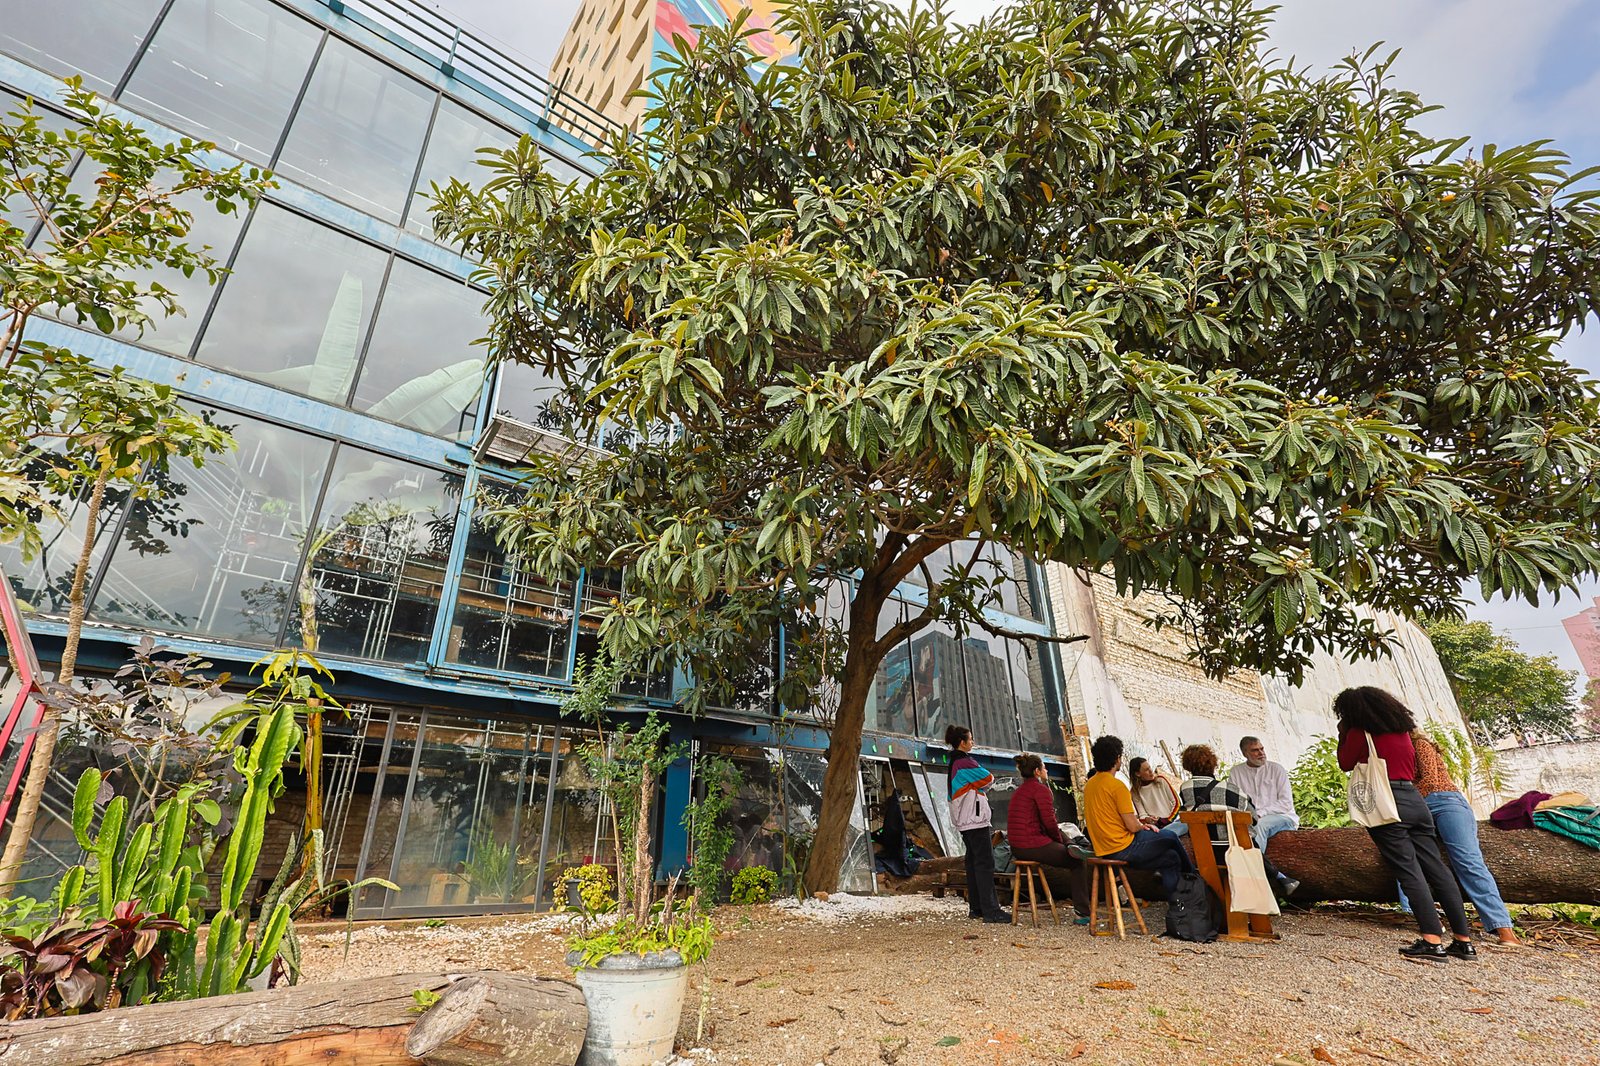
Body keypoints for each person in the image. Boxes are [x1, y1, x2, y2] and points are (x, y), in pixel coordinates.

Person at [1334, 687, 1476, 961]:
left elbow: (1345, 762)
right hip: (1414, 800)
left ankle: (1432, 940)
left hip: (1387, 802)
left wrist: (1343, 733)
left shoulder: (1358, 733)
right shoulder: (1402, 733)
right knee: (1437, 868)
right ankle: (1463, 941)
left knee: (1408, 871)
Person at [1397, 731, 1520, 946]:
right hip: (1417, 808)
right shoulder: (1391, 751)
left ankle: (1505, 930)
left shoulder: (1419, 744)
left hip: (1444, 802)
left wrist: (1405, 798)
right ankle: (1430, 921)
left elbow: (1430, 782)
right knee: (1404, 855)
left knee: (1468, 861)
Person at [1176, 744, 1300, 899]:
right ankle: (1278, 878)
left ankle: (1279, 877)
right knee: (1249, 842)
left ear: (1187, 766)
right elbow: (1253, 818)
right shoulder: (1232, 789)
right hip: (1238, 851)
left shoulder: (1185, 788)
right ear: (1213, 763)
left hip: (1206, 853)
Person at [1082, 735, 1194, 898]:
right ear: (1117, 758)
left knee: (1171, 857)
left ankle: (1177, 902)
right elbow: (1132, 827)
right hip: (1124, 847)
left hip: (1104, 849)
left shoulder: (1090, 785)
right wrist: (1142, 826)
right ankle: (1192, 875)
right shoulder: (1117, 786)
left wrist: (1141, 825)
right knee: (1170, 836)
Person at [1006, 753, 1092, 923]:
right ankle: (1082, 913)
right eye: (1044, 767)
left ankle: (1072, 845)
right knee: (1077, 862)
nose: (1047, 770)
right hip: (1032, 844)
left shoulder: (1019, 791)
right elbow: (1050, 824)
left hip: (1017, 846)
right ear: (1037, 771)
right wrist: (1059, 842)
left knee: (1067, 841)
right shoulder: (1040, 790)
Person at [947, 724, 1010, 923]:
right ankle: (991, 910)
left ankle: (977, 908)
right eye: (970, 739)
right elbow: (988, 778)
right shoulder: (965, 762)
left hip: (965, 820)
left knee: (973, 863)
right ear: (962, 743)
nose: (973, 742)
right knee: (985, 863)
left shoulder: (954, 762)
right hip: (974, 819)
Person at [1228, 736, 1300, 853]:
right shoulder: (1236, 772)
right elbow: (1234, 800)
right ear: (1245, 753)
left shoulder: (1276, 769)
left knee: (1260, 825)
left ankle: (1256, 866)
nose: (1261, 753)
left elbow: (1285, 803)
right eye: (1255, 750)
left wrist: (1260, 814)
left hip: (1283, 817)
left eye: (1262, 749)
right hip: (1250, 819)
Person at [1129, 756, 1186, 838]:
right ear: (1138, 774)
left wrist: (1166, 820)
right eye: (1146, 770)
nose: (1151, 771)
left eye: (1150, 768)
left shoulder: (1161, 781)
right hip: (1155, 827)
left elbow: (1177, 803)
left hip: (1172, 822)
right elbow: (1142, 815)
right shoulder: (1134, 792)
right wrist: (1148, 819)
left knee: (1183, 824)